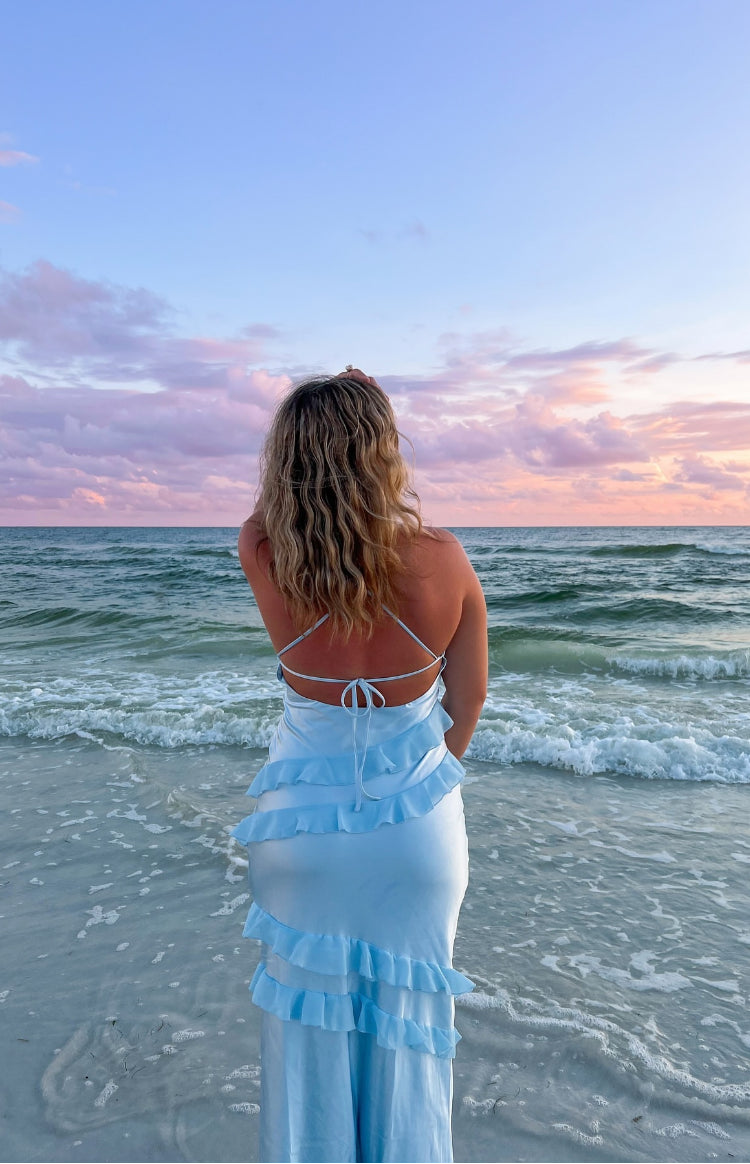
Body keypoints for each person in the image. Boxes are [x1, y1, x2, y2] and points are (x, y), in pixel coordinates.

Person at [231, 368, 487, 1163]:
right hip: (413, 835)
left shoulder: (265, 550)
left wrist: (316, 436)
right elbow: (468, 702)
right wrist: (412, 797)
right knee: (411, 1046)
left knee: (307, 1050)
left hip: (297, 838)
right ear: (384, 453)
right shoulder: (442, 561)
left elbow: (271, 513)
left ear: (286, 462)